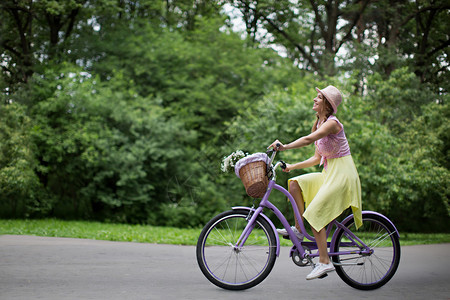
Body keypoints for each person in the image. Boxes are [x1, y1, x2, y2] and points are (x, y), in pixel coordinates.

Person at [268, 85, 362, 280]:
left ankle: (324, 262)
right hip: (329, 173)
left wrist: (284, 147)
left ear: (327, 104)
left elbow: (308, 139)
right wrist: (292, 167)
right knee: (294, 183)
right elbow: (316, 158)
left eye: (318, 97)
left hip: (343, 176)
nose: (314, 99)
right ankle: (299, 230)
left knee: (314, 214)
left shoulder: (333, 123)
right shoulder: (319, 123)